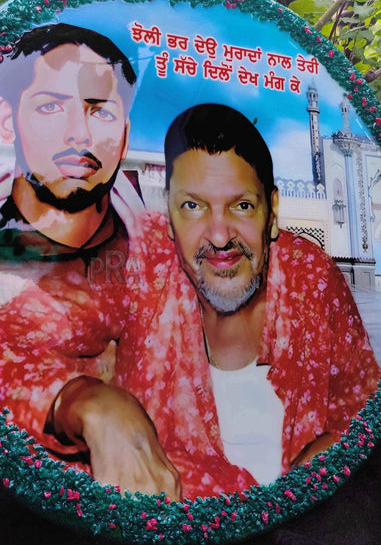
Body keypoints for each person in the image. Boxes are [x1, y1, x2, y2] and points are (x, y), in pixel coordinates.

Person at [43, 104, 380, 500]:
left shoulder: (311, 277)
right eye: (193, 206)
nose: (220, 237)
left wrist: (328, 455)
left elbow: (360, 407)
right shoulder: (139, 264)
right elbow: (5, 343)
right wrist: (88, 402)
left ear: (272, 213)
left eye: (242, 206)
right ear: (169, 214)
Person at [0, 23, 141, 329]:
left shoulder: (169, 238)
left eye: (101, 112)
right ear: (7, 121)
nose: (79, 134)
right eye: (50, 107)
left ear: (124, 137)